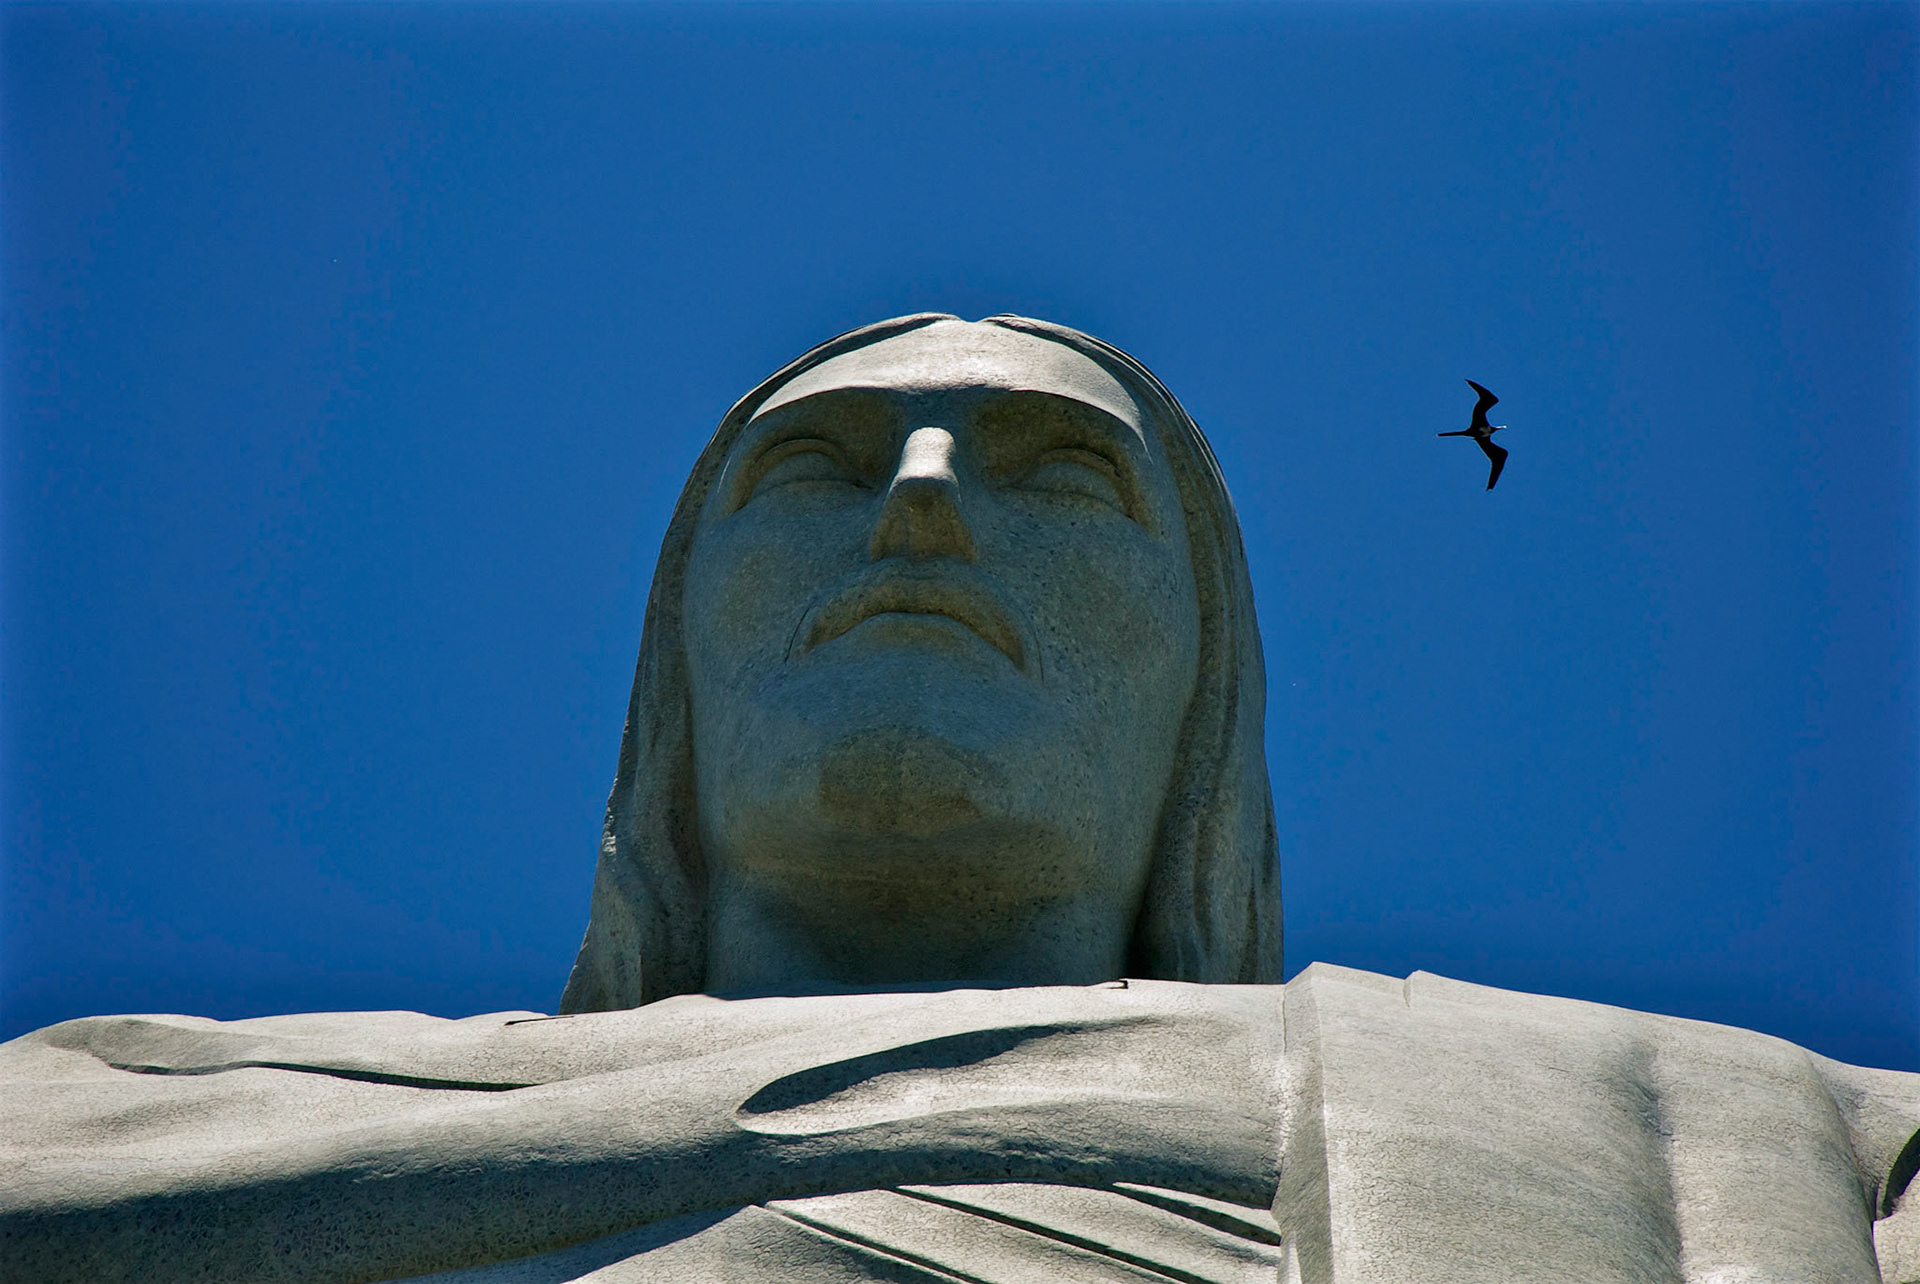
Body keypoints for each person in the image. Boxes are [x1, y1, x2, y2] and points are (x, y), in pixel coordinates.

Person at [4, 316, 1917, 1284]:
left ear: (1202, 705)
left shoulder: (1776, 1156)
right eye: (813, 471)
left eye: (1064, 477)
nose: (920, 495)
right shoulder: (95, 1108)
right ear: (671, 685)